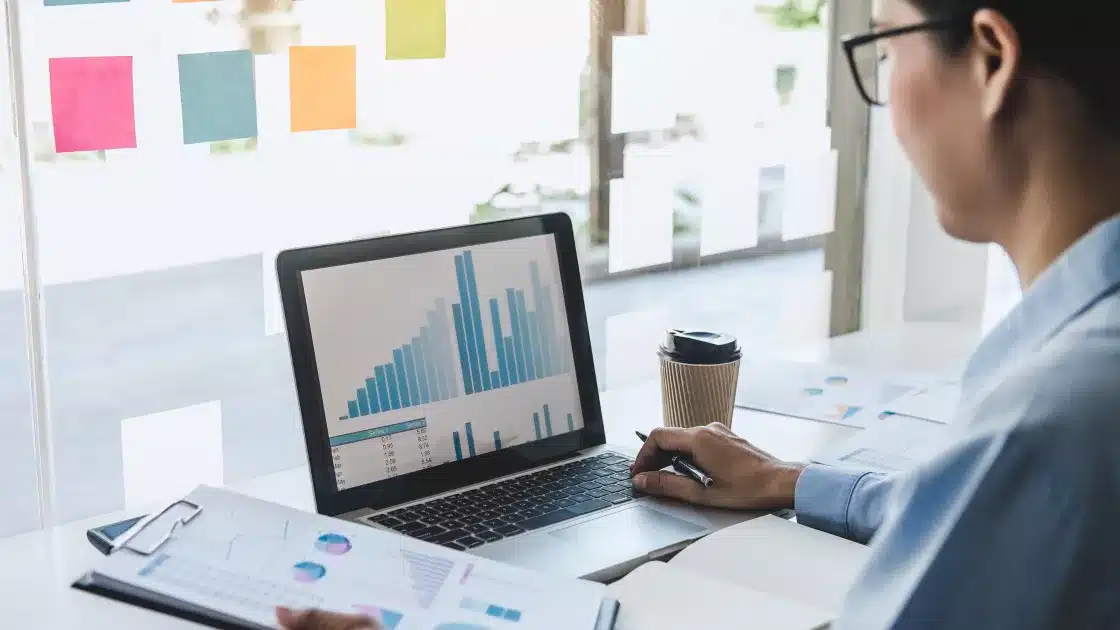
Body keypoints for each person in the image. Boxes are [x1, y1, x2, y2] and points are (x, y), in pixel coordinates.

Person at [279, 0, 1120, 627]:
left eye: (883, 46)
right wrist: (792, 482)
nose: (889, 101)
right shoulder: (1067, 388)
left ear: (991, 57)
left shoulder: (1049, 421)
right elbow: (977, 512)